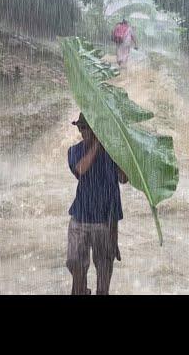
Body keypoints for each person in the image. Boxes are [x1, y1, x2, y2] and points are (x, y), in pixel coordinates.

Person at [66, 113, 127, 295]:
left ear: (95, 129)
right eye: (81, 128)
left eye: (86, 128)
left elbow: (124, 178)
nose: (83, 131)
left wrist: (119, 151)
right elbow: (81, 170)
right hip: (80, 221)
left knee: (103, 280)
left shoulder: (113, 153)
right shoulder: (74, 151)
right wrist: (97, 144)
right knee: (76, 272)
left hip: (105, 223)